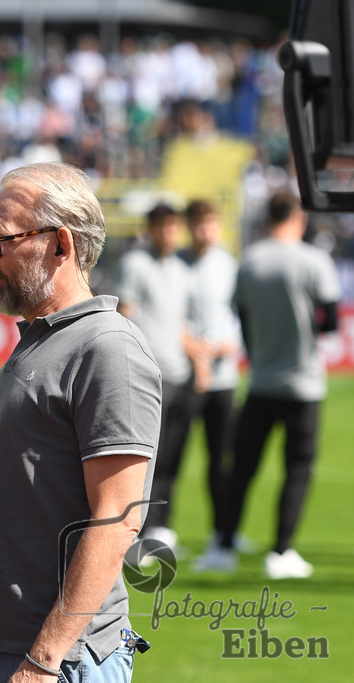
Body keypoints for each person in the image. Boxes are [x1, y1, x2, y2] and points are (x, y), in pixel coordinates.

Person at [0, 162, 161, 683]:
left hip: (60, 660)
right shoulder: (39, 341)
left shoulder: (107, 348)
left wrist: (43, 660)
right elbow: (19, 505)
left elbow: (118, 519)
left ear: (60, 244)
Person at [205, 191, 340, 578]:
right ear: (298, 217)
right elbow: (330, 321)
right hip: (304, 383)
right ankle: (281, 551)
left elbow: (242, 315)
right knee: (297, 468)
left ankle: (224, 543)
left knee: (242, 466)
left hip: (261, 379)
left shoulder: (251, 261)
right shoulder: (314, 260)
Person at [116, 202, 198, 552]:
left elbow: (180, 323)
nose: (170, 234)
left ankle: (160, 532)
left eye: (174, 227)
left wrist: (199, 359)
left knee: (172, 460)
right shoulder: (135, 264)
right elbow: (124, 315)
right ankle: (134, 537)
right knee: (145, 461)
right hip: (149, 378)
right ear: (150, 229)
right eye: (164, 227)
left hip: (181, 374)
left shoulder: (181, 269)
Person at [177, 200, 244, 571]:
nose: (207, 230)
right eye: (200, 223)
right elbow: (174, 316)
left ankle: (223, 532)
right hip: (185, 375)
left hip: (223, 377)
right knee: (170, 457)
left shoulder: (229, 266)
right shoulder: (178, 265)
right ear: (190, 226)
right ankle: (159, 534)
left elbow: (239, 315)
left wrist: (225, 345)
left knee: (221, 461)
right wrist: (195, 350)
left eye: (212, 223)